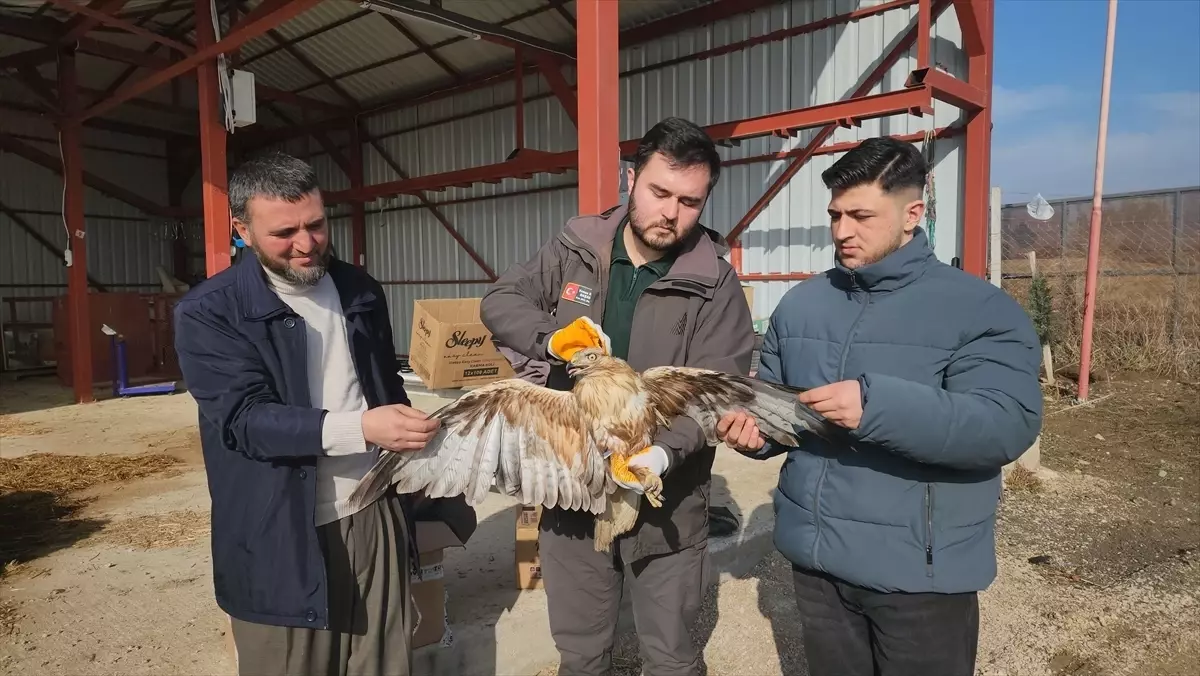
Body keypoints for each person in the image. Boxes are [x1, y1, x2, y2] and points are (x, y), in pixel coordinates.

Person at [716, 136, 1043, 676]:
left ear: (912, 213)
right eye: (835, 215)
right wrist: (755, 434)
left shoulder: (979, 308)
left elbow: (1004, 425)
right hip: (819, 569)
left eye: (862, 215)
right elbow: (775, 404)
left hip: (918, 579)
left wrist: (875, 407)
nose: (843, 231)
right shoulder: (802, 305)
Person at [480, 117, 755, 676]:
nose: (670, 213)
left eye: (689, 201)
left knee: (672, 657)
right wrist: (551, 339)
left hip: (665, 502)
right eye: (659, 192)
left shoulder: (714, 285)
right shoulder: (575, 249)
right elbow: (502, 299)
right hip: (573, 490)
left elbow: (712, 390)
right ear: (632, 179)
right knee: (581, 655)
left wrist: (661, 454)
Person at [173, 151, 447, 676]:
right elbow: (245, 422)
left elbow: (384, 388)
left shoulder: (358, 289)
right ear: (243, 230)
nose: (306, 243)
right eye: (284, 232)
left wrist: (412, 451)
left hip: (370, 512)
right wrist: (363, 427)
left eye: (316, 225)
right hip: (278, 529)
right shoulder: (210, 312)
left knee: (383, 663)